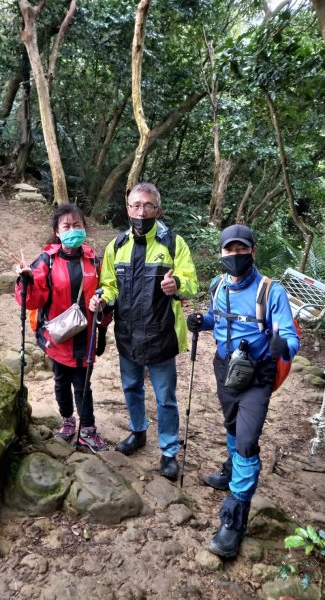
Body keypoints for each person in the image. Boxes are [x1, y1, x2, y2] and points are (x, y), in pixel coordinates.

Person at [187, 224, 300, 558]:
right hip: (225, 368)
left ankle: (234, 518)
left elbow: (290, 338)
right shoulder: (217, 285)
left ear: (252, 251)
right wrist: (201, 322)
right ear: (222, 252)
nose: (235, 256)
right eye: (229, 250)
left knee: (248, 442)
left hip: (257, 373)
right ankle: (231, 469)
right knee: (233, 426)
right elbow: (216, 319)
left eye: (241, 250)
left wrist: (282, 345)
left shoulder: (271, 291)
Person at [89, 182, 198, 481]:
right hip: (128, 332)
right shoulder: (116, 246)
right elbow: (110, 285)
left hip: (161, 332)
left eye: (148, 206)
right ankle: (138, 432)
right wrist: (103, 297)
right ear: (127, 209)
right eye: (135, 205)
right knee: (131, 388)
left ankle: (169, 451)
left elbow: (191, 283)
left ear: (158, 210)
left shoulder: (173, 244)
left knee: (165, 397)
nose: (141, 211)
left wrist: (177, 287)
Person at [15, 205, 110, 452]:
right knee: (60, 381)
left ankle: (87, 429)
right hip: (57, 336)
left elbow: (106, 293)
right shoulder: (46, 261)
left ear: (84, 228)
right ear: (57, 232)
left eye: (77, 225)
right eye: (66, 226)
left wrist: (103, 309)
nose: (72, 230)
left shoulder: (94, 261)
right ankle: (68, 422)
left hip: (85, 335)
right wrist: (25, 280)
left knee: (83, 383)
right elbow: (32, 301)